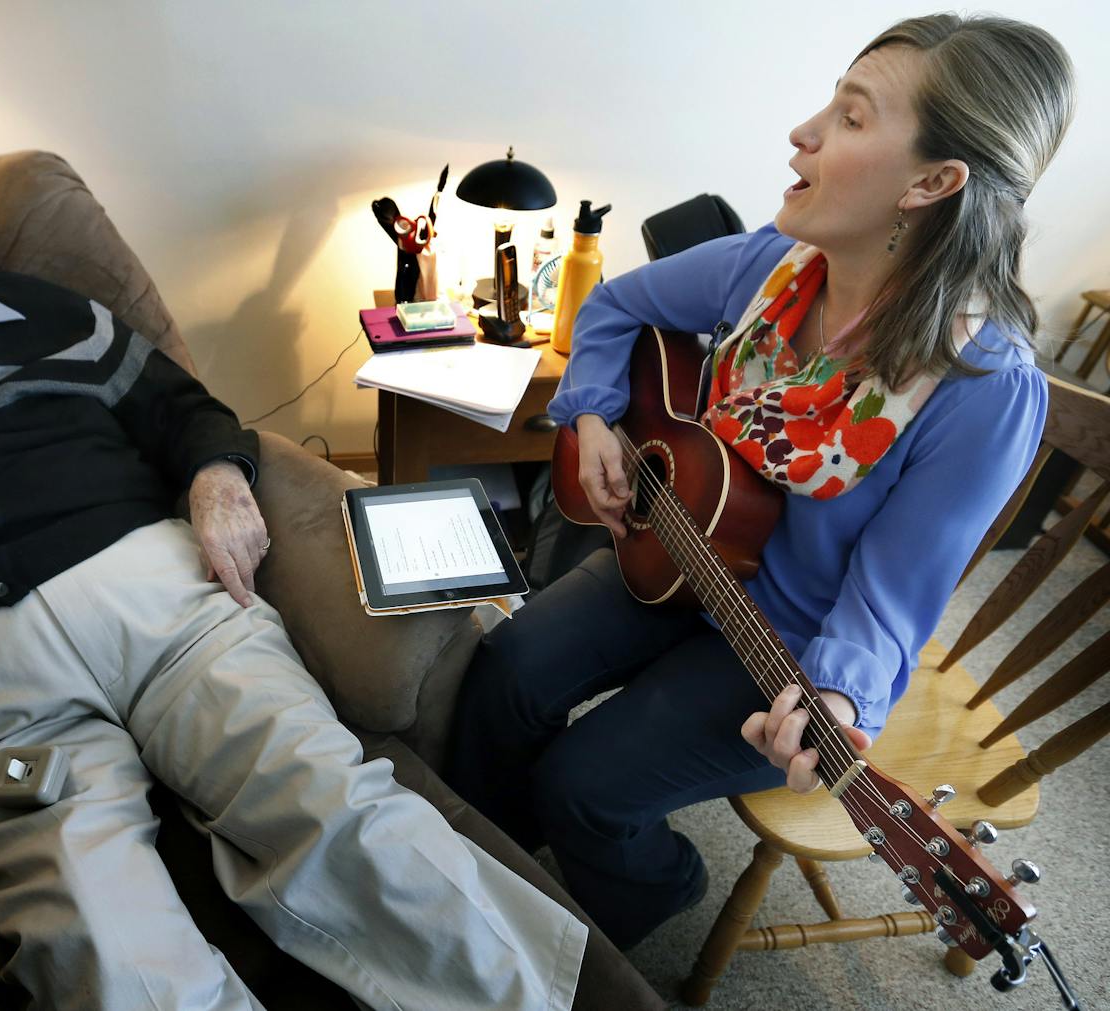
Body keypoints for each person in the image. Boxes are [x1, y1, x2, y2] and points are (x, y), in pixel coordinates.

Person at [0, 125, 593, 1011]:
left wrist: (216, 475)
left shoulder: (47, 314)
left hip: (168, 613)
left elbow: (183, 408)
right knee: (103, 948)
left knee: (338, 810)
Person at [446, 13, 1076, 951]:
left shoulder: (983, 387)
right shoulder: (774, 267)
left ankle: (650, 893)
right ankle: (473, 856)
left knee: (585, 781)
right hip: (676, 552)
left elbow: (893, 595)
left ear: (933, 182)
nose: (804, 132)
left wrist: (839, 699)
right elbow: (618, 302)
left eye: (852, 118)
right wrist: (586, 411)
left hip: (781, 640)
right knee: (503, 673)